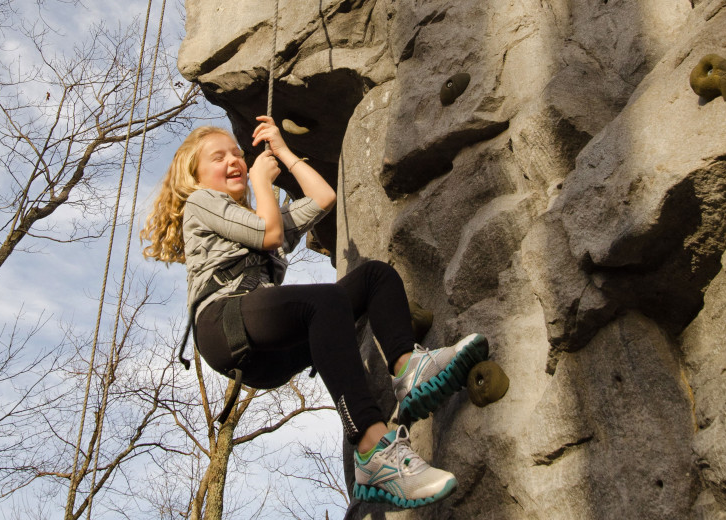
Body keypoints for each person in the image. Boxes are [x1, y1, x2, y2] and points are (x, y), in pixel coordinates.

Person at [140, 115, 488, 508]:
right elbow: (270, 234)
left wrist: (285, 152)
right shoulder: (202, 201)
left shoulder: (255, 216)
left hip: (271, 350)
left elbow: (323, 198)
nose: (234, 160)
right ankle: (373, 449)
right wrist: (261, 182)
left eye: (237, 153)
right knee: (323, 301)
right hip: (223, 325)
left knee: (373, 277)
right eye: (218, 157)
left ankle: (407, 369)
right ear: (194, 176)